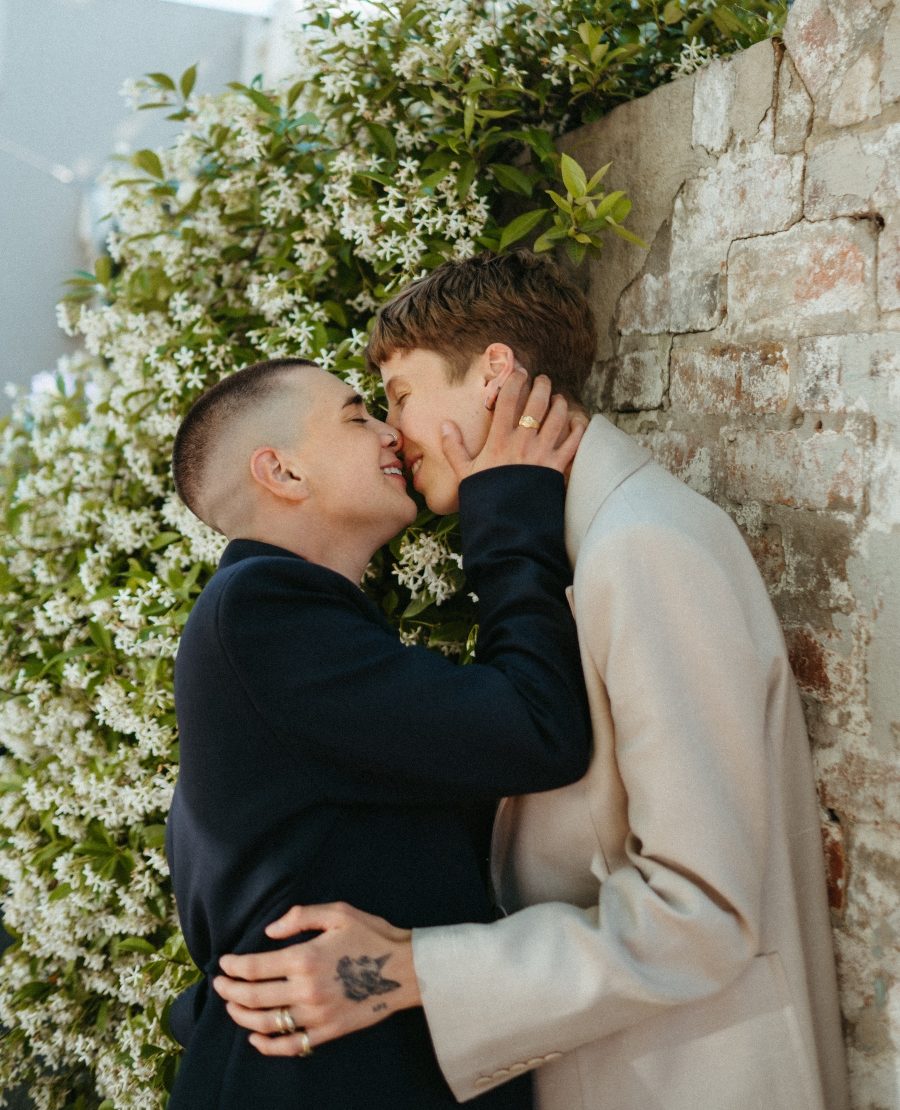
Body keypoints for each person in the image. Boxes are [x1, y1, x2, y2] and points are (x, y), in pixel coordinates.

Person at [214, 253, 850, 1110]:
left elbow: (702, 917)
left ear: (495, 374)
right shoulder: (582, 546)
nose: (392, 435)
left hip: (689, 1075)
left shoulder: (643, 550)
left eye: (398, 398)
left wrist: (410, 969)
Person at [164, 354, 592, 1109]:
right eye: (357, 416)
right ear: (283, 474)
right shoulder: (258, 612)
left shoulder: (281, 620)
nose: (391, 433)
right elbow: (533, 727)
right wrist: (509, 502)